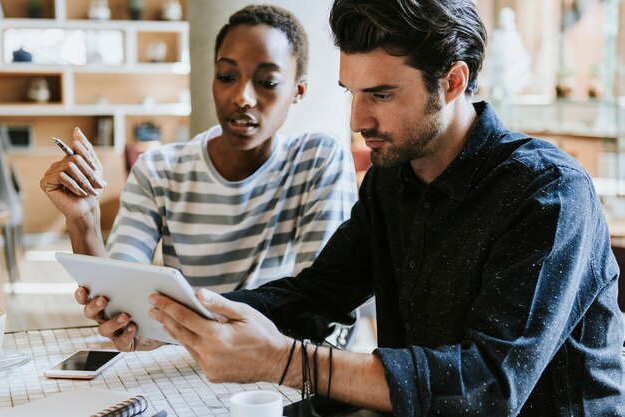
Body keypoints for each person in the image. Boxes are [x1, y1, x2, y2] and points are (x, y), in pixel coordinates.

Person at [95, 0, 625, 415]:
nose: (357, 119)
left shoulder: (548, 194)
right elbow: (317, 294)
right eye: (352, 91)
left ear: (453, 82)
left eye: (381, 94)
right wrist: (178, 315)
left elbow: (488, 387)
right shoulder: (393, 178)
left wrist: (283, 360)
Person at [40, 5, 357, 349]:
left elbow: (319, 304)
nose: (242, 97)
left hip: (275, 359)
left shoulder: (317, 159)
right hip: (185, 362)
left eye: (267, 82)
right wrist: (83, 219)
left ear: (298, 91)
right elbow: (121, 306)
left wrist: (176, 323)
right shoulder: (159, 169)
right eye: (226, 76)